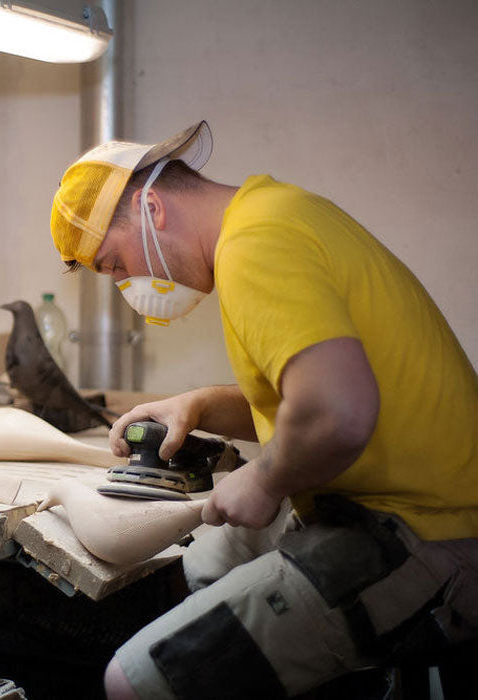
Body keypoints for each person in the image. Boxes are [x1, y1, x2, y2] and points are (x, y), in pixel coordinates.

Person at [49, 121, 478, 699]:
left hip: (428, 531)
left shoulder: (254, 246)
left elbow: (340, 413)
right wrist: (198, 405)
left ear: (152, 209)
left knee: (131, 681)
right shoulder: (273, 212)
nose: (127, 283)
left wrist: (266, 477)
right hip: (391, 501)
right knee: (198, 566)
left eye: (115, 264)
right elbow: (310, 401)